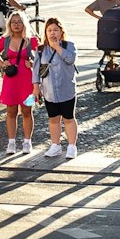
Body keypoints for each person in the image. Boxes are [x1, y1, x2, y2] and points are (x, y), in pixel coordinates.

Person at [0, 12, 38, 154]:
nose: (16, 24)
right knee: (11, 111)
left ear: (24, 23)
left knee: (27, 110)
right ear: (9, 24)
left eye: (19, 22)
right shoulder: (4, 40)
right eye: (13, 22)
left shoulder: (32, 41)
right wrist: (2, 63)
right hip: (11, 80)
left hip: (27, 80)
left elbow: (41, 57)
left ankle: (27, 142)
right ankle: (11, 142)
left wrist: (32, 62)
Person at [37, 17, 79, 158]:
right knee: (53, 118)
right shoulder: (41, 49)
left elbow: (71, 59)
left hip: (66, 89)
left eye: (55, 30)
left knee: (68, 118)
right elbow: (36, 69)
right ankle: (55, 145)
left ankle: (72, 146)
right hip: (49, 90)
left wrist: (57, 48)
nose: (52, 33)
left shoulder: (69, 45)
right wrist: (35, 87)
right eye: (49, 30)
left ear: (61, 32)